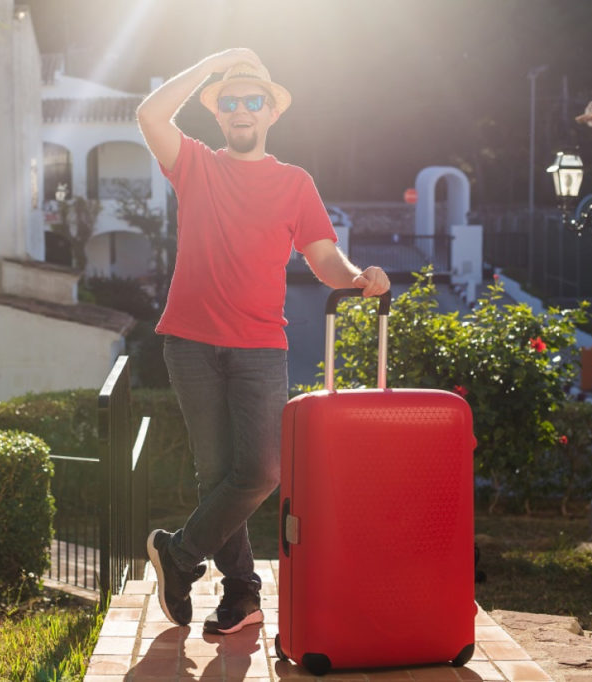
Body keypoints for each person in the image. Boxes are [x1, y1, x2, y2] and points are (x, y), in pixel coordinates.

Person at [137, 48, 390, 635]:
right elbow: (150, 116)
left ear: (270, 113)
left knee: (262, 471)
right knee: (218, 475)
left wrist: (356, 278)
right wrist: (212, 64)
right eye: (230, 101)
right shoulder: (195, 164)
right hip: (190, 344)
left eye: (254, 100)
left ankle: (177, 555)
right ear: (219, 113)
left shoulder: (294, 183)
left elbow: (324, 257)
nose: (241, 109)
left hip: (258, 347)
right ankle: (243, 595)